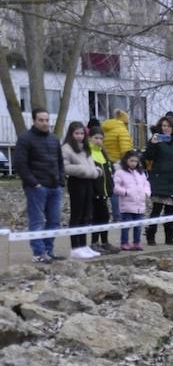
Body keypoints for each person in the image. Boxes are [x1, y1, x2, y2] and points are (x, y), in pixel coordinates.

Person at [14, 109, 65, 264]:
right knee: (37, 221)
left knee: (54, 221)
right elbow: (20, 164)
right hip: (36, 188)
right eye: (41, 120)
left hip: (55, 187)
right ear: (34, 121)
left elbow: (60, 162)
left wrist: (61, 181)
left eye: (46, 120)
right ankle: (39, 253)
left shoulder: (54, 139)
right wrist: (34, 183)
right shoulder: (25, 139)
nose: (45, 123)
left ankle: (49, 251)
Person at [62, 121, 103, 260]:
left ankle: (84, 245)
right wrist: (83, 170)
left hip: (88, 182)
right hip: (76, 182)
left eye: (81, 133)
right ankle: (75, 246)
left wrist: (96, 171)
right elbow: (65, 167)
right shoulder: (66, 148)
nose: (79, 136)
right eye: (76, 133)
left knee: (87, 214)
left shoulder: (86, 148)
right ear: (71, 134)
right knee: (77, 214)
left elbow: (91, 164)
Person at [142, 115, 173, 246]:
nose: (166, 128)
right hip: (159, 179)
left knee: (170, 211)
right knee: (156, 210)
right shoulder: (155, 140)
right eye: (164, 126)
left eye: (168, 126)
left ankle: (169, 237)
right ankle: (150, 236)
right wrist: (152, 144)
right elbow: (148, 157)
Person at [113, 151, 150, 251]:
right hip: (127, 205)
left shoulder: (141, 173)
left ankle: (137, 242)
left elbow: (146, 184)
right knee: (126, 226)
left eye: (136, 161)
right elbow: (116, 187)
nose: (134, 163)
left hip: (140, 205)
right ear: (126, 161)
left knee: (138, 226)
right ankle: (124, 243)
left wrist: (146, 193)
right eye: (131, 161)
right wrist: (126, 192)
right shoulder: (120, 172)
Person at [88, 130, 115, 253]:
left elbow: (109, 173)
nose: (98, 140)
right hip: (93, 193)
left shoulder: (104, 155)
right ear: (90, 138)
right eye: (96, 138)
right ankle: (94, 242)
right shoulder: (88, 153)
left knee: (104, 217)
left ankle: (104, 242)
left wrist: (110, 188)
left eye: (100, 138)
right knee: (95, 218)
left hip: (104, 193)